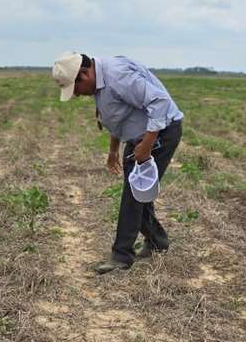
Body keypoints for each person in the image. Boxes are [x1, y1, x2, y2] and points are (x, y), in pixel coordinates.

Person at [52, 52, 184, 274]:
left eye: (75, 88)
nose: (76, 94)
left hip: (160, 133)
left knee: (133, 195)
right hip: (139, 137)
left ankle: (122, 256)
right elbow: (117, 115)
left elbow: (159, 101)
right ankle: (157, 242)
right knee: (138, 193)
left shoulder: (118, 76)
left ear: (84, 74)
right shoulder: (99, 82)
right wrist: (113, 150)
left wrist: (148, 144)